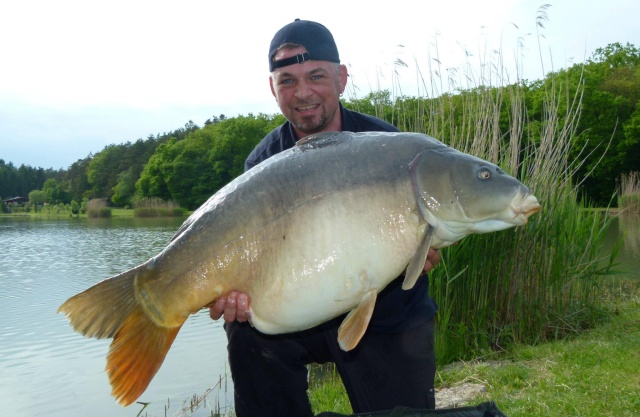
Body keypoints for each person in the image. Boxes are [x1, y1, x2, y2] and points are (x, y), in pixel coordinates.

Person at [209, 19, 441, 417]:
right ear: (272, 88)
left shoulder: (387, 148)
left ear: (341, 77)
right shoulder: (263, 163)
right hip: (301, 313)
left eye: (316, 76)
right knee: (245, 334)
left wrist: (423, 251)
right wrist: (235, 294)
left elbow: (431, 225)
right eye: (287, 81)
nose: (302, 93)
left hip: (385, 316)